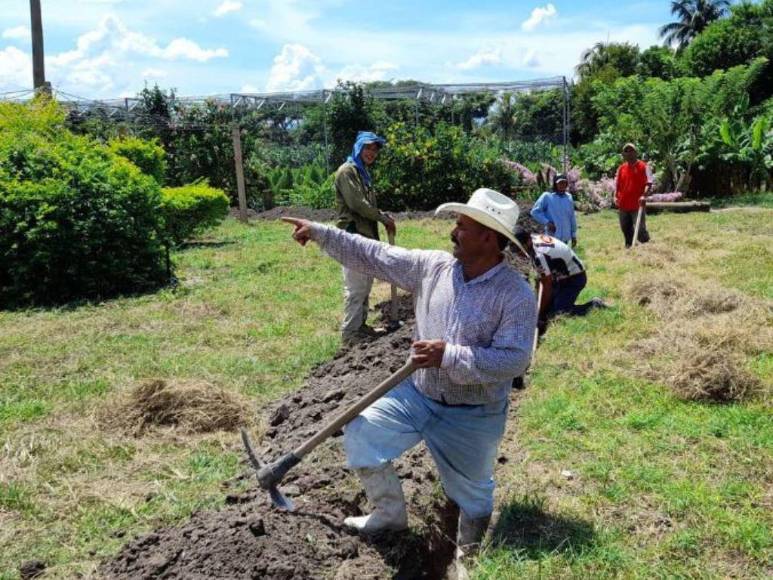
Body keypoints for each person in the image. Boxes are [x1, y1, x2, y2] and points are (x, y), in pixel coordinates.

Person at [283, 188, 537, 576]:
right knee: (362, 431)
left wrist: (449, 355)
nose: (453, 232)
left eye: (461, 226)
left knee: (473, 498)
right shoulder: (433, 267)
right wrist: (320, 232)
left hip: (473, 413)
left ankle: (466, 555)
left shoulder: (515, 295)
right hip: (417, 395)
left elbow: (514, 359)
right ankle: (388, 515)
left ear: (488, 237)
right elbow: (375, 255)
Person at [335, 131, 396, 344]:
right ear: (358, 147)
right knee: (356, 287)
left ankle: (360, 327)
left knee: (365, 285)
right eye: (367, 148)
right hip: (352, 236)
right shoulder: (347, 172)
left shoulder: (363, 174)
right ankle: (350, 334)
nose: (371, 153)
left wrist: (381, 218)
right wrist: (382, 217)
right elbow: (357, 204)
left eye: (375, 149)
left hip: (365, 237)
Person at [514, 227, 606, 334]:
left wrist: (539, 314)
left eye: (519, 249)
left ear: (528, 241)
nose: (518, 253)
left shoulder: (539, 254)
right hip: (559, 277)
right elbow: (541, 279)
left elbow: (546, 285)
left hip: (574, 278)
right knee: (547, 308)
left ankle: (594, 305)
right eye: (515, 249)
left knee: (557, 314)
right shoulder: (533, 238)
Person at [614, 143, 653, 248]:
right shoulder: (621, 168)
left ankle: (646, 245)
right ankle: (629, 245)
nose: (629, 153)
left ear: (636, 153)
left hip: (638, 204)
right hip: (623, 204)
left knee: (640, 228)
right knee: (625, 227)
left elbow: (649, 183)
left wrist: (644, 195)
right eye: (626, 151)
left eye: (631, 151)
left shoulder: (643, 166)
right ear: (623, 155)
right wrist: (615, 196)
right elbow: (617, 184)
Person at [530, 174, 578, 246]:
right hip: (552, 237)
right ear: (555, 184)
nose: (562, 185)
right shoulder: (547, 196)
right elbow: (535, 212)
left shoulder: (568, 197)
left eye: (564, 183)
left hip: (565, 237)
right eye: (560, 183)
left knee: (563, 256)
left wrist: (573, 235)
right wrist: (547, 222)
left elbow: (572, 217)